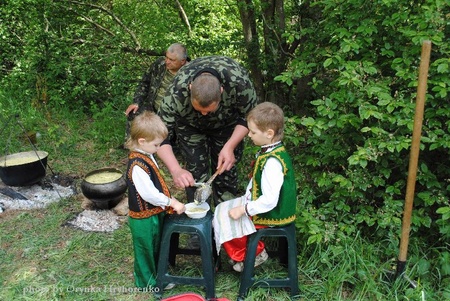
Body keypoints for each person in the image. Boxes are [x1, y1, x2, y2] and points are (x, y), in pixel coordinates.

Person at [156, 55, 258, 206]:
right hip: (190, 126)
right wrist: (175, 170)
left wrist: (230, 146)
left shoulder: (238, 82)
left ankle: (225, 213)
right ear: (190, 88)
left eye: (209, 110)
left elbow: (249, 116)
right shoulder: (176, 92)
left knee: (225, 169)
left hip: (227, 124)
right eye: (199, 109)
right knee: (195, 172)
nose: (204, 114)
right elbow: (158, 136)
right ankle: (199, 215)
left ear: (222, 91)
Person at [212, 102, 297, 272]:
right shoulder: (271, 151)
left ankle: (254, 254)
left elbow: (270, 200)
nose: (249, 135)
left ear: (269, 133)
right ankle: (243, 253)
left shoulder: (273, 162)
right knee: (221, 209)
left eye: (253, 132)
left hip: (272, 211)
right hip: (262, 204)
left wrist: (243, 209)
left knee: (226, 218)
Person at [124, 110, 185, 289]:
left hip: (153, 213)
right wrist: (171, 202)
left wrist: (168, 198)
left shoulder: (146, 154)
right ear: (142, 141)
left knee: (156, 245)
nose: (159, 148)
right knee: (145, 249)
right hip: (143, 218)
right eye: (157, 144)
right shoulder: (137, 165)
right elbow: (148, 194)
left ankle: (159, 275)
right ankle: (147, 282)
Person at [122, 43, 188, 147]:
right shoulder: (159, 64)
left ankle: (167, 148)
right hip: (152, 106)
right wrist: (137, 102)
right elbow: (144, 82)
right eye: (166, 57)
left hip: (174, 114)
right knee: (134, 113)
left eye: (172, 60)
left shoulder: (189, 73)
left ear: (182, 61)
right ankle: (133, 147)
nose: (167, 61)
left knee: (171, 135)